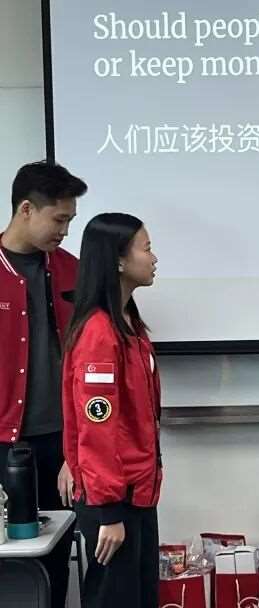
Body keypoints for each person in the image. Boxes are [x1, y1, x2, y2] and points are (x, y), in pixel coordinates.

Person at [62, 213, 161, 608]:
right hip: (114, 503)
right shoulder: (100, 333)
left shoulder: (129, 324)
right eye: (147, 249)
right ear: (118, 260)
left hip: (138, 495)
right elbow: (97, 427)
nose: (154, 258)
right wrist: (108, 512)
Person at [0, 160, 86, 608]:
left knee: (55, 557)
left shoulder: (73, 271)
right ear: (26, 209)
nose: (65, 231)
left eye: (70, 221)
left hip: (60, 443)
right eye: (59, 219)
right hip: (2, 440)